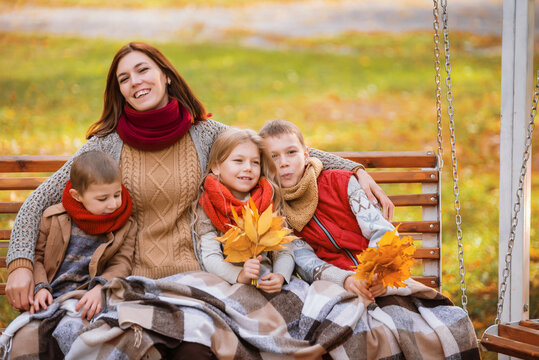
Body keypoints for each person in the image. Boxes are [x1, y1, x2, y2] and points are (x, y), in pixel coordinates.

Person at [5, 42, 393, 357]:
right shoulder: (108, 145)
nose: (134, 82)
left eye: (143, 70)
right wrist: (21, 264)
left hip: (203, 278)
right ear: (119, 91)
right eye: (124, 78)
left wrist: (353, 168)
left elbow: (267, 150)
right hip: (135, 279)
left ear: (167, 76)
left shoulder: (204, 134)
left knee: (199, 351)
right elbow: (39, 200)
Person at [259, 119, 396, 301]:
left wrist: (377, 272)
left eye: (291, 152)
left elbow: (381, 230)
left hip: (380, 279)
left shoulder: (342, 182)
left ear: (306, 154)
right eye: (273, 156)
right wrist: (345, 280)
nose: (283, 162)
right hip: (333, 287)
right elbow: (304, 261)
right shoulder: (275, 210)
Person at [31, 150, 136, 321]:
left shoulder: (125, 225)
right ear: (77, 196)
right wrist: (40, 287)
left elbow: (122, 262)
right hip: (52, 297)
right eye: (103, 199)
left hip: (91, 299)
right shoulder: (53, 218)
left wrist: (100, 287)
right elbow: (37, 257)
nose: (114, 204)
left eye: (117, 194)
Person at [196, 128, 294, 293]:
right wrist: (240, 275)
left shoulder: (266, 198)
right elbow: (210, 256)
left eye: (255, 162)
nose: (248, 168)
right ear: (216, 167)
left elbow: (285, 248)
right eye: (238, 160)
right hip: (226, 280)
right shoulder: (208, 203)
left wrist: (280, 275)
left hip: (265, 279)